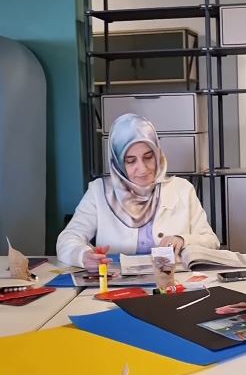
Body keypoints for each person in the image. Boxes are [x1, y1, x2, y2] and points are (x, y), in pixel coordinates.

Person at [57, 113, 219, 269]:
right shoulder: (99, 191)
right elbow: (67, 239)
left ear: (158, 154)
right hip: (116, 282)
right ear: (118, 164)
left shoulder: (182, 189)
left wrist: (183, 239)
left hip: (173, 280)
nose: (142, 168)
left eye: (148, 157)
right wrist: (83, 255)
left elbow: (211, 241)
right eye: (130, 161)